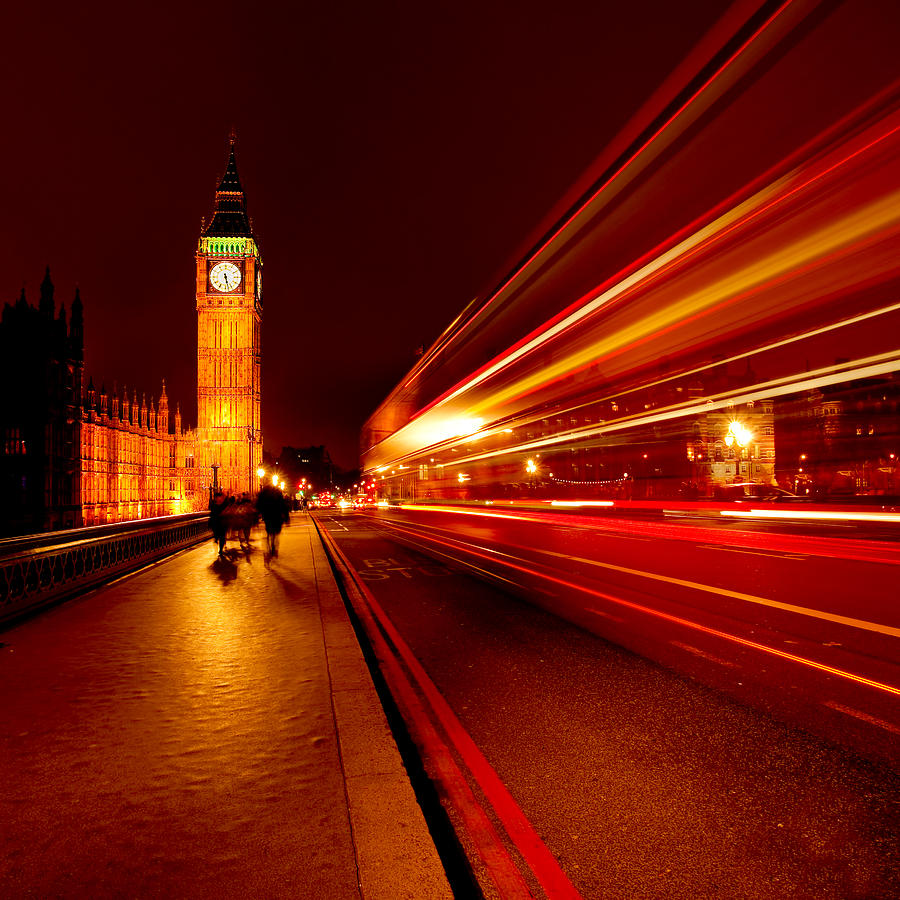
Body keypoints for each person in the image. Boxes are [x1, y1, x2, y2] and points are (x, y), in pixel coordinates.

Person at [256, 483, 289, 558]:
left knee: (269, 531)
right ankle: (274, 545)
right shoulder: (277, 493)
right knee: (276, 533)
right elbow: (283, 505)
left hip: (267, 515)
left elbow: (258, 504)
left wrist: (258, 514)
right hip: (277, 515)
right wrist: (286, 517)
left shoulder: (263, 494)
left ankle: (269, 545)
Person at [209, 490, 229, 557]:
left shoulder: (224, 505)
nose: (219, 499)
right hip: (216, 523)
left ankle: (220, 549)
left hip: (222, 523)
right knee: (218, 535)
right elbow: (212, 514)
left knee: (222, 536)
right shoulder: (214, 505)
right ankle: (217, 539)